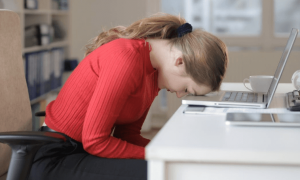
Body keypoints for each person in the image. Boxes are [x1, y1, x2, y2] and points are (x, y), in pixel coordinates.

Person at [29, 13, 228, 180]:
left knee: (172, 168)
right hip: (57, 157)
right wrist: (159, 154)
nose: (179, 94)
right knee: (166, 173)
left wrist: (170, 151)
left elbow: (127, 135)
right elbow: (95, 141)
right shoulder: (127, 59)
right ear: (179, 62)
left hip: (81, 152)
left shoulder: (153, 73)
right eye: (187, 88)